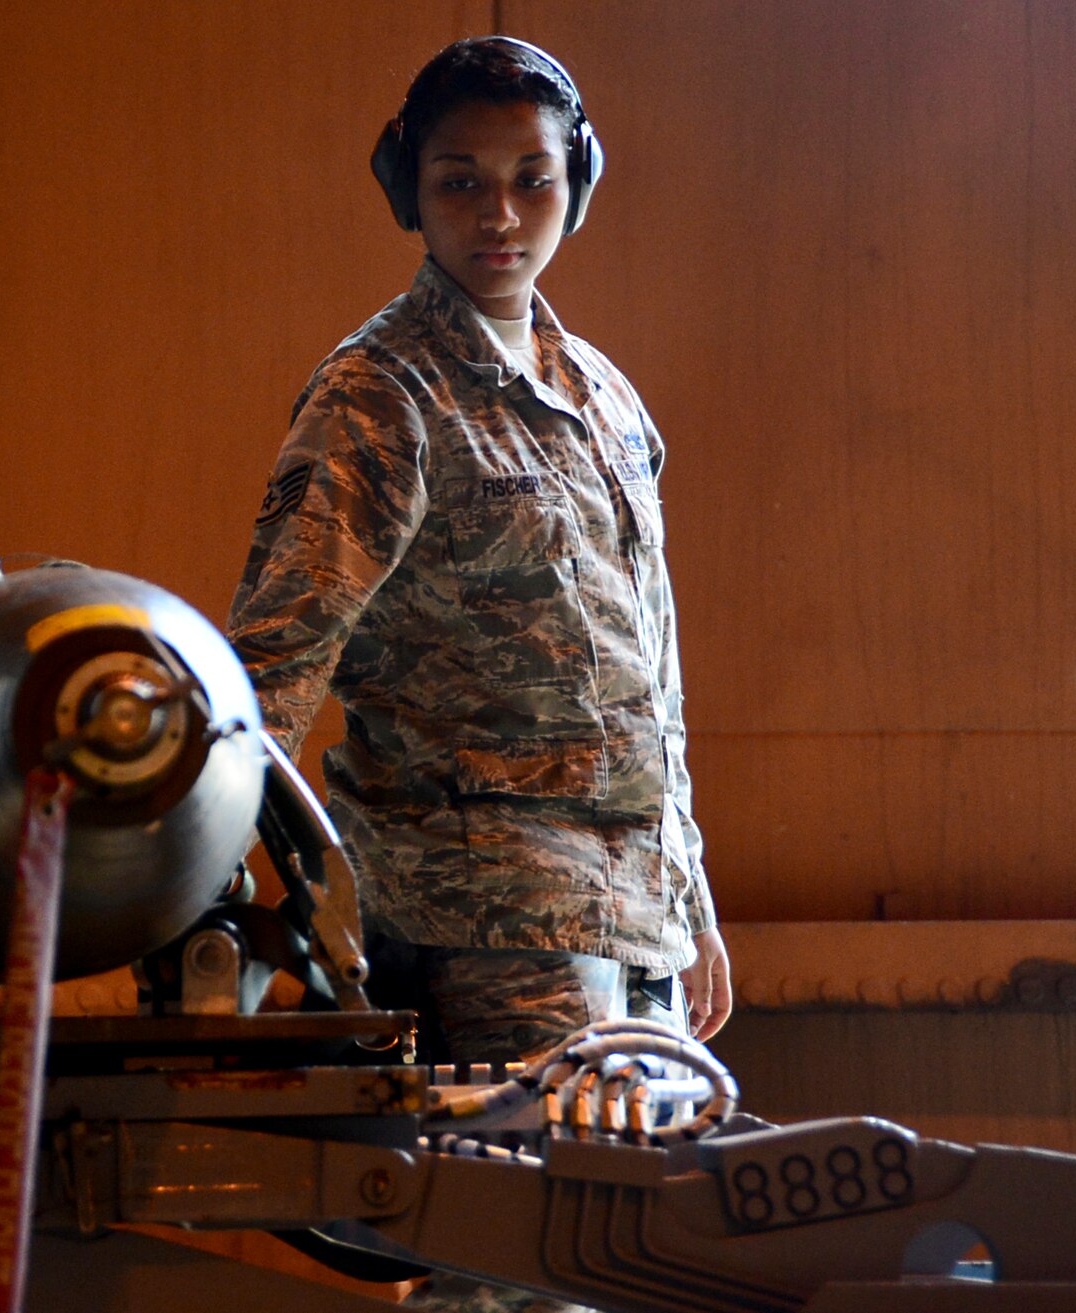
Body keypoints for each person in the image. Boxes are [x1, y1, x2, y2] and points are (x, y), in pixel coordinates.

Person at [227, 41, 730, 1305]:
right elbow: (273, 666)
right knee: (524, 1271)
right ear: (408, 189)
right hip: (482, 918)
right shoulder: (378, 397)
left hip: (632, 916)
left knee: (632, 1263)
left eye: (529, 178)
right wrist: (263, 903)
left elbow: (647, 669)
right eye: (458, 181)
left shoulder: (602, 397)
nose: (498, 216)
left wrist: (691, 892)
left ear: (575, 184)